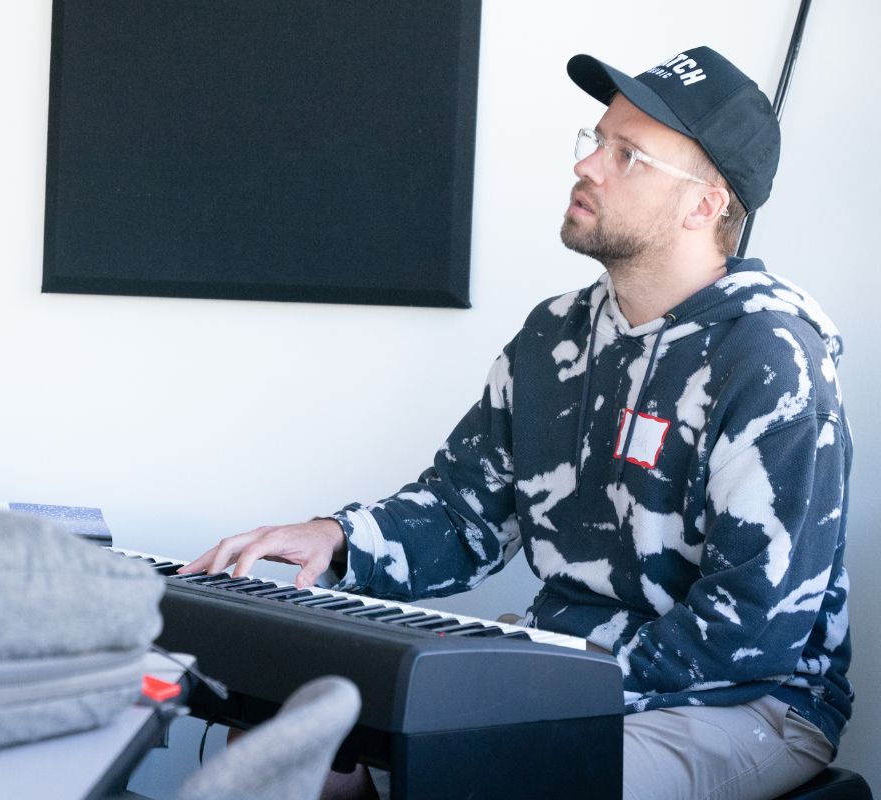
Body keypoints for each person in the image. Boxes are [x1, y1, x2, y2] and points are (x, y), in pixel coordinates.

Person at [182, 46, 852, 800]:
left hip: (746, 701)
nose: (589, 167)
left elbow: (751, 631)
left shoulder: (770, 360)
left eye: (627, 155)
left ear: (704, 205)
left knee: (498, 776)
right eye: (597, 141)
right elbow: (464, 514)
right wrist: (336, 539)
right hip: (565, 665)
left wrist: (532, 685)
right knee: (283, 742)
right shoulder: (554, 336)